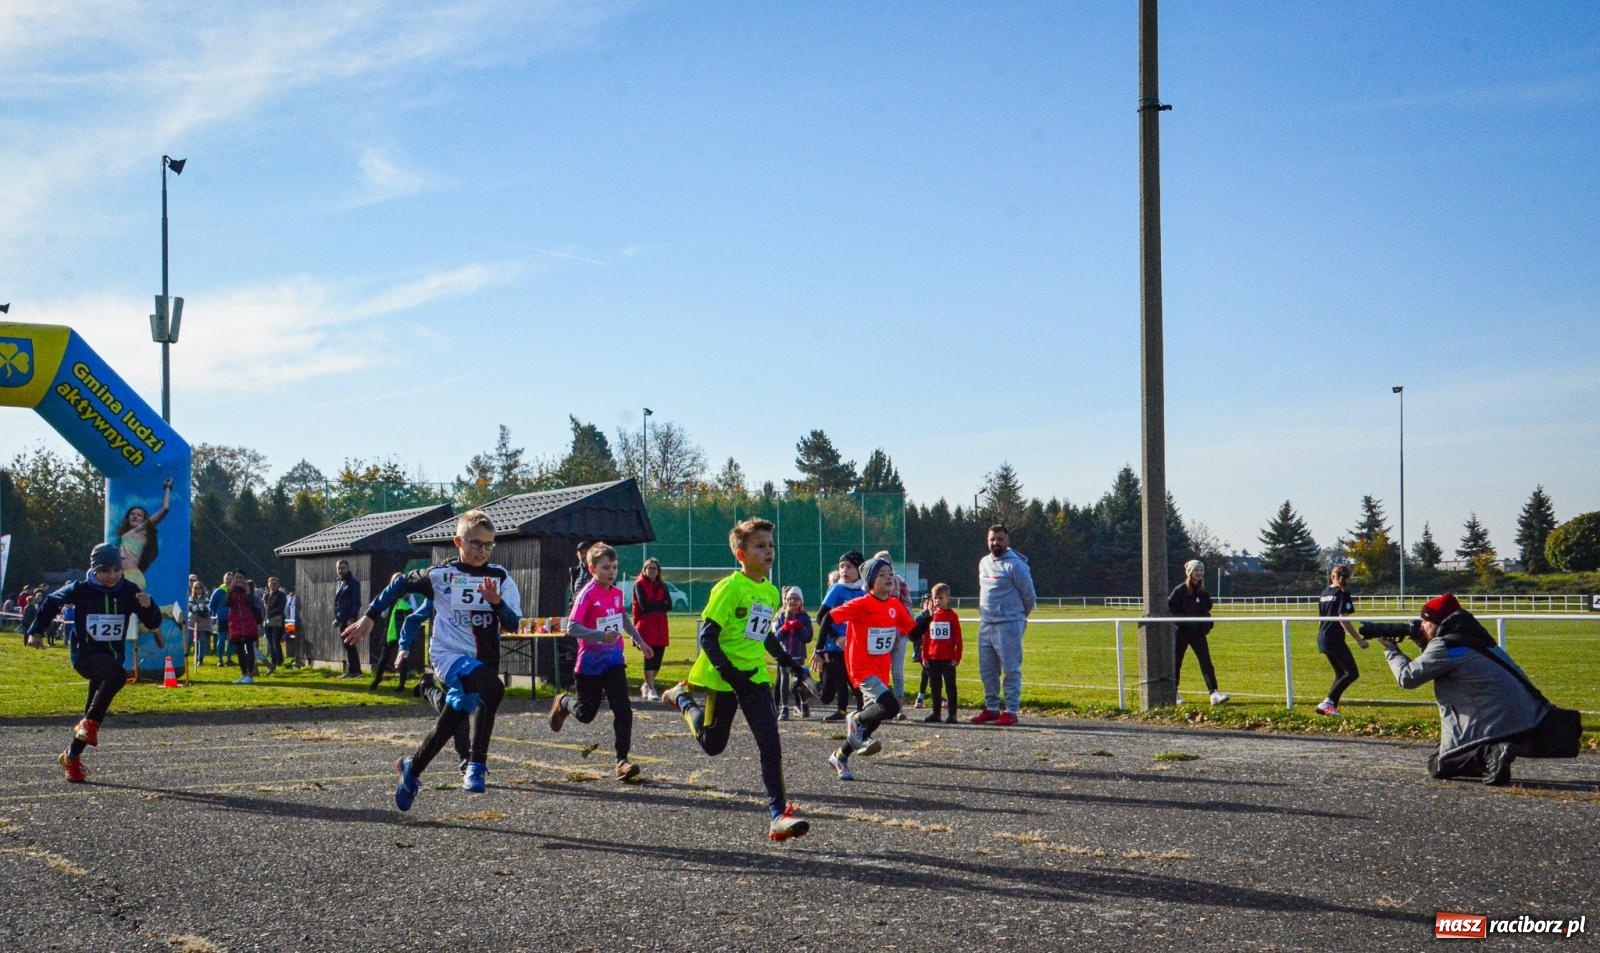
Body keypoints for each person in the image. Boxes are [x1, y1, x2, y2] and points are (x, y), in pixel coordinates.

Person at [343, 510, 520, 809]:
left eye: (489, 545)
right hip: (448, 656)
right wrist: (370, 616)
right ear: (457, 542)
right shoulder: (439, 575)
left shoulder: (500, 577)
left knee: (453, 718)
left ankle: (412, 768)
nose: (482, 551)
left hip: (483, 660)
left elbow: (513, 624)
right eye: (476, 543)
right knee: (495, 689)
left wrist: (497, 603)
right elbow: (398, 584)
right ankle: (476, 764)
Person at [660, 518, 815, 841]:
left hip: (755, 677)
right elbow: (708, 638)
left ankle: (778, 816)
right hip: (722, 678)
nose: (768, 551)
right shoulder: (728, 588)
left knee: (770, 744)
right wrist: (731, 676)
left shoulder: (772, 592)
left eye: (770, 545)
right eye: (760, 546)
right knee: (713, 745)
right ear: (740, 554)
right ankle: (682, 699)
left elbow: (765, 638)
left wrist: (792, 665)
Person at [1363, 594, 1557, 785]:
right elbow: (1446, 663)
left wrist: (1391, 650)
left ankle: (1491, 752)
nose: (1421, 625)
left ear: (1438, 622)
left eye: (1425, 621)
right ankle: (1489, 758)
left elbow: (1408, 678)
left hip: (1492, 720)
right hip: (1526, 715)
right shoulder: (1472, 637)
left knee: (1438, 765)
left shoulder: (1445, 645)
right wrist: (1424, 644)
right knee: (1445, 751)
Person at [25, 544, 163, 783]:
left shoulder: (129, 590)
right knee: (118, 677)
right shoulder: (80, 589)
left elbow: (152, 623)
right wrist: (35, 631)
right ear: (94, 570)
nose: (111, 576)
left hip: (110, 658)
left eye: (116, 570)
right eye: (105, 571)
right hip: (85, 655)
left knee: (92, 713)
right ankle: (87, 725)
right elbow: (50, 603)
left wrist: (149, 606)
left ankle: (71, 756)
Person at [548, 542, 655, 781]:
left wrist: (639, 640)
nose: (611, 572)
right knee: (586, 714)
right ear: (592, 568)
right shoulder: (586, 594)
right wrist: (600, 636)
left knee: (623, 710)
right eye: (606, 567)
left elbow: (623, 618)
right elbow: (573, 627)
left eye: (615, 567)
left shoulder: (616, 592)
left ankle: (622, 762)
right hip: (590, 665)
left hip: (614, 661)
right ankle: (564, 702)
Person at [816, 554, 923, 781]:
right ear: (871, 581)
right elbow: (826, 618)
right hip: (861, 668)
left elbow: (915, 633)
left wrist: (929, 616)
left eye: (891, 575)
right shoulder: (861, 604)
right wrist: (819, 649)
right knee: (890, 706)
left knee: (870, 726)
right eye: (882, 575)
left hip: (880, 669)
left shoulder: (894, 606)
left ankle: (840, 755)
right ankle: (855, 718)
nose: (889, 578)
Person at [973, 525, 1036, 726]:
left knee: (1011, 669)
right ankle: (991, 708)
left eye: (1000, 539)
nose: (996, 543)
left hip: (1008, 625)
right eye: (992, 539)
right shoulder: (983, 563)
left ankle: (1010, 710)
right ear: (987, 540)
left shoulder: (1016, 566)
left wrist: (1016, 618)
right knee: (987, 671)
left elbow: (1029, 597)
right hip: (986, 624)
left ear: (1007, 541)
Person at [1167, 559, 1229, 706]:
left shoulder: (1203, 593)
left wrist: (1206, 624)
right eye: (1196, 570)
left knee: (1206, 662)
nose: (1199, 573)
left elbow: (1207, 609)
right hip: (1181, 633)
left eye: (1201, 570)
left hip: (1198, 634)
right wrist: (1182, 622)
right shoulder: (1180, 590)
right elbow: (1171, 608)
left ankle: (1214, 693)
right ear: (1190, 572)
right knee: (1176, 663)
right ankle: (1173, 693)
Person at [814, 551, 865, 722]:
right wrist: (836, 637)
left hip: (856, 644)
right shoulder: (837, 589)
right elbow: (821, 617)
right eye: (841, 566)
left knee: (855, 679)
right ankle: (841, 710)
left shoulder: (865, 590)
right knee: (835, 686)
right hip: (835, 645)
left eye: (849, 567)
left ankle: (861, 712)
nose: (844, 570)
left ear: (860, 569)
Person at [1315, 564, 1366, 717]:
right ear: (1348, 578)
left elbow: (1320, 619)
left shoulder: (1324, 592)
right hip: (1333, 638)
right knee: (1352, 673)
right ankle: (1327, 702)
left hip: (1322, 636)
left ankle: (1330, 707)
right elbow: (1343, 619)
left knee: (1340, 673)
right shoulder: (1343, 593)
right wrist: (1358, 639)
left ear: (1332, 576)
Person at [115, 477, 173, 590]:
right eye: (132, 514)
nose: (135, 516)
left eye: (139, 515)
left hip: (132, 576)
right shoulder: (125, 535)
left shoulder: (141, 530)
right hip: (121, 576)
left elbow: (165, 509)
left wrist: (167, 487)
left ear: (144, 520)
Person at [917, 583, 963, 723]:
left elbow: (958, 638)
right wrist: (924, 656)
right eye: (935, 598)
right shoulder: (930, 616)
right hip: (932, 658)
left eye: (941, 598)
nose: (937, 601)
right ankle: (936, 713)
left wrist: (957, 656)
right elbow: (925, 638)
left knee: (950, 687)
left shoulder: (952, 616)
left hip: (948, 658)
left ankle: (952, 714)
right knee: (935, 687)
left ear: (948, 598)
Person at [631, 557, 672, 701]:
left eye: (654, 568)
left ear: (658, 571)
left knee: (658, 662)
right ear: (644, 569)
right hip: (646, 627)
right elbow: (645, 606)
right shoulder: (639, 584)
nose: (652, 571)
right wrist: (659, 605)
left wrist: (657, 605)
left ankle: (647, 685)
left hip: (661, 627)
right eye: (649, 568)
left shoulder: (663, 585)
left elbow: (669, 605)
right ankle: (652, 689)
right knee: (649, 657)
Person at [370, 577, 415, 690]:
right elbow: (384, 613)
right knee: (385, 657)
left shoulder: (406, 597)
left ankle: (400, 684)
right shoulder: (391, 596)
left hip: (399, 633)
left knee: (399, 657)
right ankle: (378, 679)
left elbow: (414, 611)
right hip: (391, 631)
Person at [775, 586, 813, 719]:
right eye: (790, 599)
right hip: (784, 654)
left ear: (801, 601)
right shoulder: (781, 616)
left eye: (796, 598)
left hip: (798, 655)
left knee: (798, 681)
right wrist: (784, 628)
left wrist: (800, 627)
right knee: (784, 680)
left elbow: (808, 638)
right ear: (786, 601)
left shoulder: (805, 617)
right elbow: (777, 637)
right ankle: (784, 708)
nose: (793, 601)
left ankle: (804, 704)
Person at [227, 572, 264, 684]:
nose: (238, 580)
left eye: (241, 578)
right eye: (236, 578)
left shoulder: (251, 594)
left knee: (250, 649)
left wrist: (248, 593)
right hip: (236, 624)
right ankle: (243, 673)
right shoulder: (231, 592)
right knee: (239, 650)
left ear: (245, 579)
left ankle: (250, 674)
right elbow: (226, 603)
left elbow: (256, 607)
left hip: (248, 624)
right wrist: (230, 590)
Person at [335, 559, 363, 678]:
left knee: (349, 644)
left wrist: (352, 617)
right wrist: (337, 618)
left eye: (343, 568)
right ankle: (354, 670)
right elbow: (339, 602)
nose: (341, 570)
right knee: (347, 645)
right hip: (342, 618)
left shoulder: (353, 583)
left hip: (349, 619)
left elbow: (356, 602)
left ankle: (354, 671)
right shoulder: (339, 582)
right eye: (339, 568)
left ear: (348, 568)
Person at [262, 576, 288, 672]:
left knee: (275, 642)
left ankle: (279, 661)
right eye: (271, 583)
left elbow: (280, 608)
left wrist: (269, 614)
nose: (273, 585)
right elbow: (263, 608)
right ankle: (273, 661)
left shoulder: (281, 595)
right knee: (270, 643)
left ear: (278, 585)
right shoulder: (267, 595)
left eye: (275, 583)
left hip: (277, 622)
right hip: (267, 622)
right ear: (268, 584)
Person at [209, 572, 235, 666]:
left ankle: (229, 659)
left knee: (232, 640)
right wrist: (219, 613)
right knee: (221, 638)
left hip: (233, 619)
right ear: (224, 580)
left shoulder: (235, 591)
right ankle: (220, 659)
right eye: (227, 578)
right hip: (222, 619)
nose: (229, 580)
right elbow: (212, 605)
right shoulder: (218, 591)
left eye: (231, 579)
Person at [187, 578, 213, 666]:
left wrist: (197, 607)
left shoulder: (206, 598)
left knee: (202, 641)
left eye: (200, 588)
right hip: (192, 622)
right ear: (193, 589)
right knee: (189, 639)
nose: (198, 590)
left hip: (204, 622)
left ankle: (200, 658)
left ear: (203, 589)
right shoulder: (190, 598)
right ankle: (185, 657)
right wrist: (200, 606)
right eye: (196, 588)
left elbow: (208, 608)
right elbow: (190, 608)